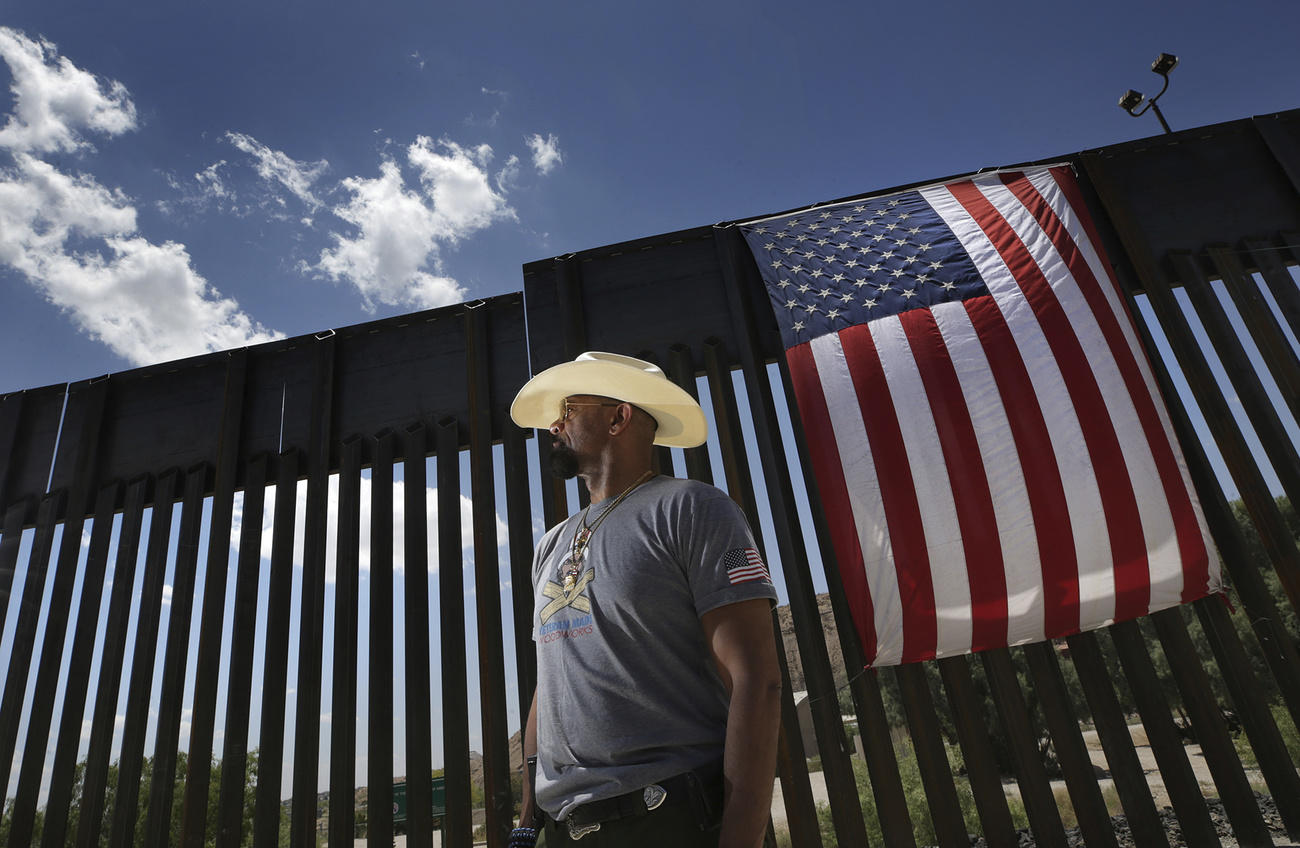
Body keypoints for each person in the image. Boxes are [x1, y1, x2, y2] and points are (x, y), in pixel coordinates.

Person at [507, 351, 783, 848]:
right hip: (566, 827)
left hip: (670, 815)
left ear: (619, 416)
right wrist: (527, 820)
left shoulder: (693, 508)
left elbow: (756, 681)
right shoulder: (549, 544)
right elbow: (549, 683)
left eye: (569, 409)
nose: (554, 424)